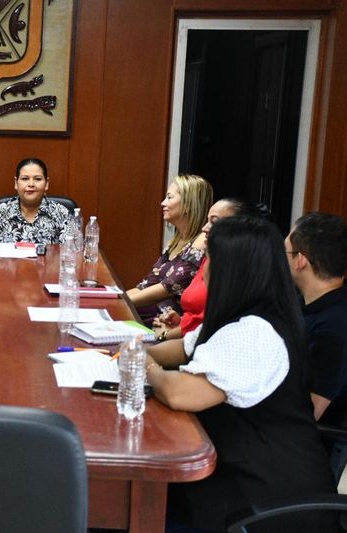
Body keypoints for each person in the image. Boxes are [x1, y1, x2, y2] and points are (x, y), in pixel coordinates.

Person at [146, 216, 335, 532]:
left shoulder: (256, 334)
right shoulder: (242, 316)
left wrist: (143, 366)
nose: (202, 270)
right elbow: (183, 349)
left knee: (143, 506)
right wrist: (138, 349)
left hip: (263, 501)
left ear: (233, 270)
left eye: (210, 260)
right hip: (235, 473)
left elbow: (181, 393)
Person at [286, 212, 347, 422]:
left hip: (298, 441)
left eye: (285, 251)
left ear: (300, 261)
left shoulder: (337, 330)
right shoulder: (305, 302)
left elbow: (306, 414)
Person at [152, 198, 269, 341]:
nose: (204, 228)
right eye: (207, 220)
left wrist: (165, 335)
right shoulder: (208, 257)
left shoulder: (238, 273)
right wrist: (180, 322)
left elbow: (209, 327)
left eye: (214, 222)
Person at [126, 174, 212, 327]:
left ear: (188, 204)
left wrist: (121, 304)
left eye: (169, 198)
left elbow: (167, 288)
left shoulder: (201, 242)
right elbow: (147, 284)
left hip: (167, 324)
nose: (163, 203)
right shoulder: (175, 240)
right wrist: (114, 299)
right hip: (148, 317)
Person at [0, 157, 73, 243]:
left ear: (46, 184)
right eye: (25, 179)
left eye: (37, 179)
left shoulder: (61, 213)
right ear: (16, 183)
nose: (31, 184)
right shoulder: (0, 213)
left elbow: (74, 251)